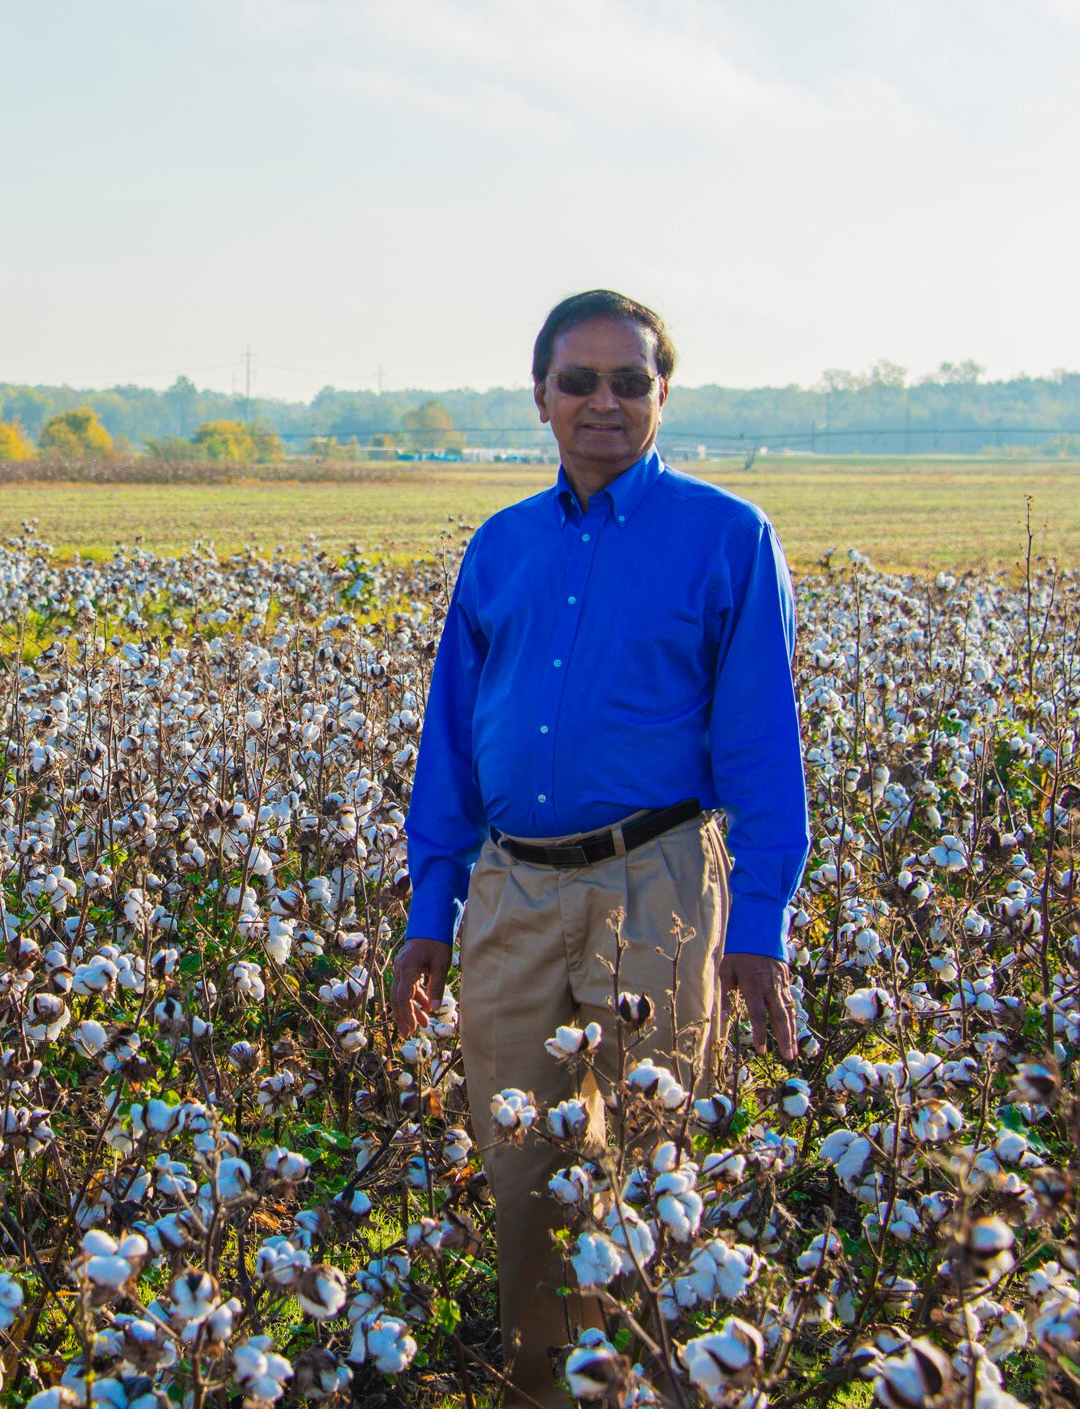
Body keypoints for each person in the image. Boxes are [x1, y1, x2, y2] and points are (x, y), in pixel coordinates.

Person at [387, 290, 808, 1408]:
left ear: (662, 392)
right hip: (511, 889)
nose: (602, 402)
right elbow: (450, 743)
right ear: (540, 397)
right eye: (578, 381)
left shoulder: (727, 537)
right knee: (521, 1173)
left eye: (628, 380)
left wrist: (756, 926)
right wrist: (433, 912)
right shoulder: (501, 546)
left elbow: (764, 748)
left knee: (650, 1169)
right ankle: (539, 1391)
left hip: (654, 882)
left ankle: (652, 1388)